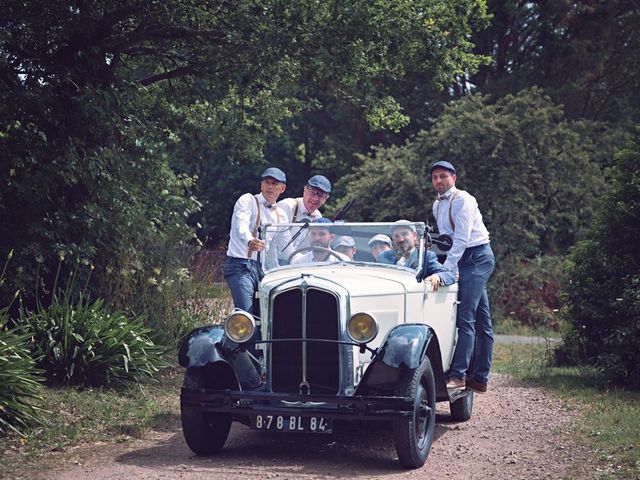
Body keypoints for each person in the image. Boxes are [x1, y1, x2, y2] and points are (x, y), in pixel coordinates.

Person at [430, 160, 495, 393]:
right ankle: (480, 378)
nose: (438, 181)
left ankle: (458, 375)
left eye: (443, 176)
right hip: (461, 259)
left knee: (465, 318)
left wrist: (447, 268)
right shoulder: (437, 206)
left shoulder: (463, 199)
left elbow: (462, 239)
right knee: (482, 319)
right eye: (435, 177)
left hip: (477, 257)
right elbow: (446, 240)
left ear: (453, 178)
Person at [223, 167, 287, 314]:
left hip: (264, 270)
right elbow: (241, 226)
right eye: (267, 182)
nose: (270, 186)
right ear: (261, 185)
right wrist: (250, 240)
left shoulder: (280, 215)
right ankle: (236, 336)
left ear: (282, 188)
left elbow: (285, 248)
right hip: (240, 265)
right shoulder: (247, 200)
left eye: (275, 183)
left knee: (273, 312)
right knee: (246, 314)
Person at [378, 220, 455, 290]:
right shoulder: (384, 256)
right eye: (396, 236)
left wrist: (437, 276)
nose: (401, 239)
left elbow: (449, 275)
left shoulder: (426, 256)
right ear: (393, 238)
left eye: (404, 234)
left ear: (414, 235)